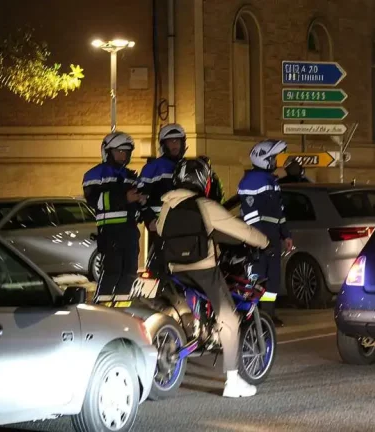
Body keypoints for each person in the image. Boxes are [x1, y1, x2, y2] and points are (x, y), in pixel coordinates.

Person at [157, 158, 269, 398]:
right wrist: (265, 242)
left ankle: (198, 330)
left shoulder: (167, 206)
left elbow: (160, 229)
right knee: (230, 318)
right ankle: (233, 381)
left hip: (175, 270)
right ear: (202, 180)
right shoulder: (204, 205)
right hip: (204, 270)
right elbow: (240, 230)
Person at [83, 132, 144, 305]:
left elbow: (136, 206)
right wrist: (125, 198)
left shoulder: (131, 176)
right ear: (107, 151)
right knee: (111, 272)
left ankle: (123, 310)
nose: (123, 155)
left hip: (130, 232)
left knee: (130, 273)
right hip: (110, 233)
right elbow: (95, 200)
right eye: (119, 151)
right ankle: (102, 310)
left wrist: (141, 201)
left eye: (126, 152)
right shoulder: (94, 175)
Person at [237, 139, 293, 327]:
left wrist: (286, 235)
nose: (276, 161)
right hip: (258, 239)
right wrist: (259, 240)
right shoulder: (251, 181)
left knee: (273, 278)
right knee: (256, 277)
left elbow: (279, 213)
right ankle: (249, 314)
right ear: (264, 159)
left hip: (272, 238)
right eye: (273, 157)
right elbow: (250, 215)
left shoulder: (271, 181)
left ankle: (268, 314)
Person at [138, 124, 188, 274]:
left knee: (181, 271)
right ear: (163, 145)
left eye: (177, 141)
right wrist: (149, 219)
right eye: (170, 141)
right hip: (160, 229)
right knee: (158, 271)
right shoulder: (153, 168)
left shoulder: (188, 166)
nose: (175, 145)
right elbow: (140, 197)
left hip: (185, 229)